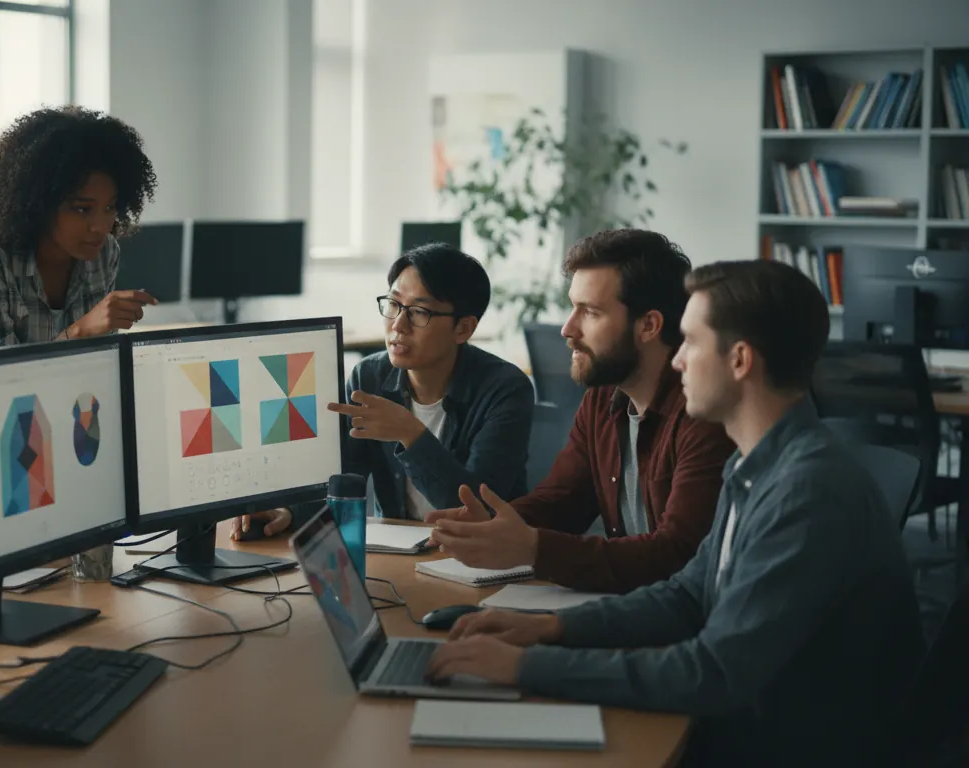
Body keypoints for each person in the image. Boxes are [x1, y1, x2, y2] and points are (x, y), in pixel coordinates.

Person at [427, 260, 922, 767]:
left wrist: (527, 667)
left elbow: (715, 673)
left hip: (787, 746)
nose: (677, 361)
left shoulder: (807, 490)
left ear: (740, 360)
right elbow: (687, 596)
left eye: (690, 342)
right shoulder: (756, 463)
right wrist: (549, 628)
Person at [427, 229, 736, 593]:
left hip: (675, 622)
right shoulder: (602, 399)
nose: (567, 329)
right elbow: (564, 500)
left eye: (590, 312)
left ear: (649, 325)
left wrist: (534, 547)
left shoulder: (704, 411)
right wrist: (495, 524)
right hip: (631, 605)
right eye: (572, 307)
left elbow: (678, 554)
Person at [232, 243, 535, 539]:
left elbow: (477, 512)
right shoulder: (369, 377)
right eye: (393, 305)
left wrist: (411, 435)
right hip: (397, 557)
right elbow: (343, 480)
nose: (398, 325)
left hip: (478, 559)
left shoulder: (505, 389)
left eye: (419, 312)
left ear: (463, 329)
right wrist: (290, 512)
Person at [0, 105, 160, 352]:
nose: (101, 227)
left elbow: (95, 360)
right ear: (40, 203)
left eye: (110, 207)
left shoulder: (104, 252)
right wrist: (80, 331)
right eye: (82, 209)